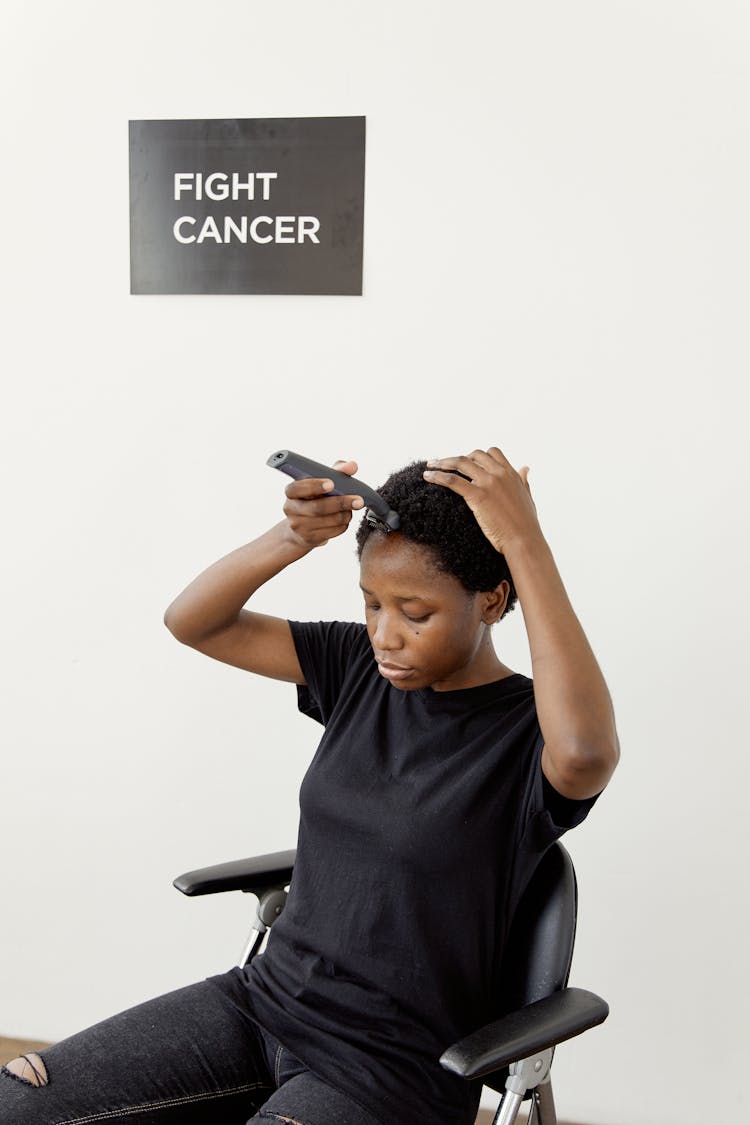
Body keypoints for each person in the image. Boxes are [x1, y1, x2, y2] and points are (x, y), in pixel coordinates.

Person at [0, 447, 619, 1125]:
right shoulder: (354, 666)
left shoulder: (529, 732)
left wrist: (525, 543)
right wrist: (292, 536)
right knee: (18, 1099)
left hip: (388, 1066)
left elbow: (588, 751)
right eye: (371, 603)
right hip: (260, 1004)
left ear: (493, 599)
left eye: (415, 613)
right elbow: (193, 621)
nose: (386, 634)